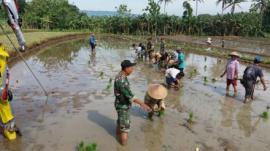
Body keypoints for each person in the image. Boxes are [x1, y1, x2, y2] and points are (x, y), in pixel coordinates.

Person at [114, 60, 151, 145]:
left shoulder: (120, 75)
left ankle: (117, 137)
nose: (132, 69)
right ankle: (123, 146)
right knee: (125, 129)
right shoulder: (121, 80)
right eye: (131, 68)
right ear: (126, 68)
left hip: (119, 104)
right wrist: (143, 104)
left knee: (120, 123)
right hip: (122, 106)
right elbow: (130, 96)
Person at [0, 44, 20, 140]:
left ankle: (10, 125)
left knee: (6, 105)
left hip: (3, 88)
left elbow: (6, 74)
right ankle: (7, 126)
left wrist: (7, 88)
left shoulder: (3, 60)